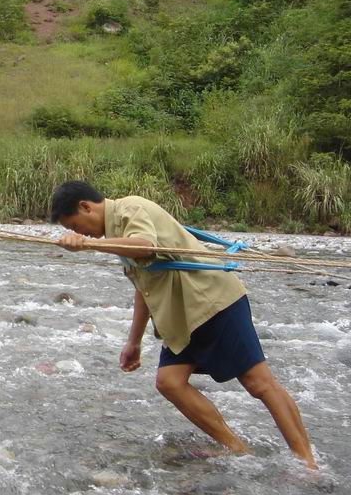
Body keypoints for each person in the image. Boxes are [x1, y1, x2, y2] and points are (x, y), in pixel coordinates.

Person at [50, 180, 316, 468]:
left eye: (75, 226)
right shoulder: (115, 234)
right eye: (74, 232)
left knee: (259, 383)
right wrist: (134, 341)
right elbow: (144, 286)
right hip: (182, 315)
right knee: (170, 382)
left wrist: (89, 245)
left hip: (212, 302)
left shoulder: (130, 209)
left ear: (85, 207)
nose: (79, 233)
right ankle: (237, 449)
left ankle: (308, 463)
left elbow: (145, 246)